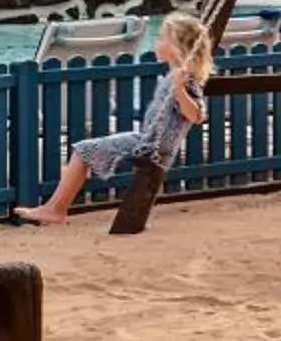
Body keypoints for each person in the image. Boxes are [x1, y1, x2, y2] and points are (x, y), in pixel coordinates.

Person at [16, 12, 214, 225]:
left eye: (161, 39)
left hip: (150, 146)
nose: (156, 43)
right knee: (83, 151)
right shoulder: (176, 74)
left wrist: (178, 90)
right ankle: (53, 208)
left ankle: (55, 210)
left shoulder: (184, 80)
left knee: (83, 151)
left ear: (176, 46)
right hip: (148, 141)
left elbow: (197, 115)